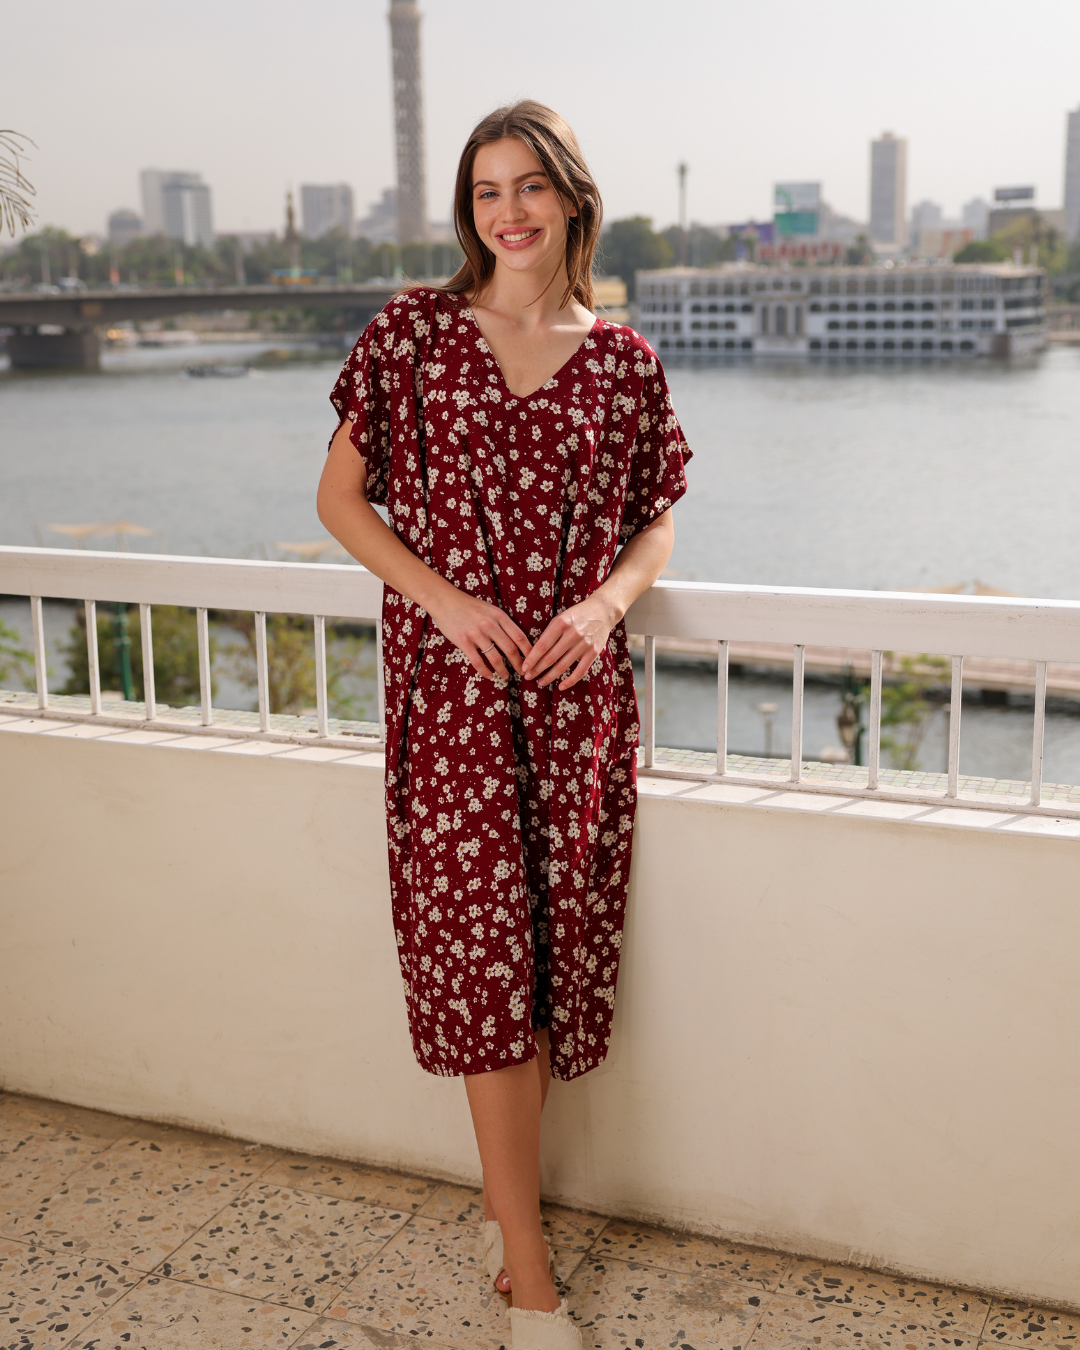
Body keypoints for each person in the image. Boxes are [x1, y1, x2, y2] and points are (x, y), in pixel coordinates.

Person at [318, 100, 690, 1349]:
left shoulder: (625, 362)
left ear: (572, 199)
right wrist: (443, 598)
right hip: (454, 700)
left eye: (530, 186)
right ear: (467, 210)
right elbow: (340, 499)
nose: (509, 212)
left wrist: (605, 602)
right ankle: (530, 1278)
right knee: (483, 972)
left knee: (542, 967)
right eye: (487, 191)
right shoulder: (414, 335)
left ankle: (502, 1213)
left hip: (574, 704)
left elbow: (656, 519)